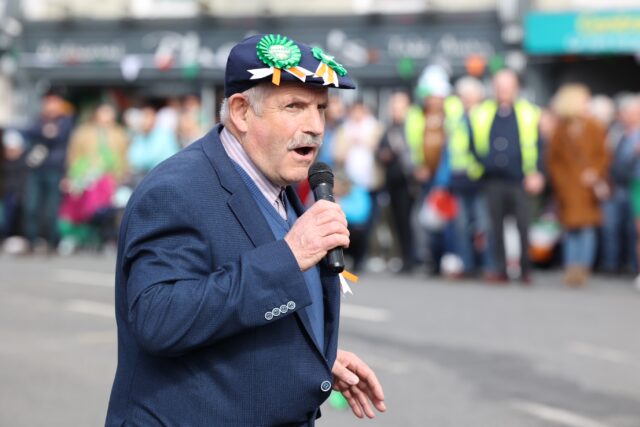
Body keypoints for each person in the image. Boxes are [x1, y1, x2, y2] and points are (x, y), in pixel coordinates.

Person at [106, 34, 385, 426]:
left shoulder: (278, 183)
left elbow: (249, 309)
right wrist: (289, 257)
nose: (315, 126)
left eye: (321, 108)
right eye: (294, 106)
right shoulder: (176, 190)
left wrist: (309, 359)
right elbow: (159, 319)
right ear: (240, 112)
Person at [470, 69, 545, 283]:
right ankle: (500, 268)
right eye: (499, 86)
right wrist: (485, 165)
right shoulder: (482, 112)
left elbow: (539, 146)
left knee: (523, 225)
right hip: (493, 179)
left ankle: (525, 269)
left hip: (519, 179)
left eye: (507, 86)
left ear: (516, 88)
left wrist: (536, 173)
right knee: (496, 227)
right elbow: (474, 143)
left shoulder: (528, 112)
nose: (503, 90)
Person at [546, 84, 610, 286]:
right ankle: (571, 267)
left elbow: (603, 155)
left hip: (587, 186)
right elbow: (553, 160)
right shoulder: (560, 129)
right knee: (571, 228)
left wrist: (595, 173)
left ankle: (583, 267)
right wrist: (561, 181)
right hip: (569, 186)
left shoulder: (593, 126)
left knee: (587, 229)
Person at [57, 104, 129, 253]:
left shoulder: (119, 134)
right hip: (83, 176)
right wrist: (71, 175)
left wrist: (121, 175)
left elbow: (124, 157)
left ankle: (105, 239)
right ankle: (76, 238)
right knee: (78, 208)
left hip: (108, 179)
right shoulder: (83, 132)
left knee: (106, 210)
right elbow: (74, 154)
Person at [446, 76, 494, 278]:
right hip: (460, 177)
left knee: (484, 225)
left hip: (480, 177)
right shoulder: (456, 116)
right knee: (462, 226)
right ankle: (467, 265)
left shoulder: (486, 113)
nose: (464, 98)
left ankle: (489, 266)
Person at [21, 91, 75, 253]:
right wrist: (45, 129)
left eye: (54, 102)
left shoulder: (66, 121)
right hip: (37, 169)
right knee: (31, 205)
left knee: (51, 209)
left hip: (55, 170)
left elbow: (60, 137)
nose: (50, 105)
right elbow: (30, 132)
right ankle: (31, 240)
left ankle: (50, 242)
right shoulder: (38, 119)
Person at [376, 91, 416, 273]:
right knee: (398, 222)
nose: (395, 110)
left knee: (411, 222)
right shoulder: (389, 129)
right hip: (394, 183)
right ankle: (405, 258)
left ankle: (414, 257)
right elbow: (379, 151)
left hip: (410, 183)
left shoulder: (413, 127)